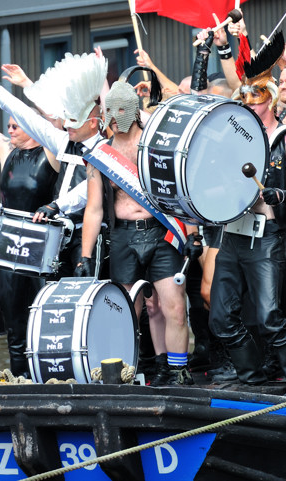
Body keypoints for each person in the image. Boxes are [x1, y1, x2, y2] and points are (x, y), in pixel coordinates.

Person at [209, 50, 286, 395]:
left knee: (269, 315)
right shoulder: (233, 140)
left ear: (270, 100)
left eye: (255, 97)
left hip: (266, 236)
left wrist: (279, 195)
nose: (247, 103)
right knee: (220, 317)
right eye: (243, 97)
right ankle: (252, 377)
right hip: (232, 232)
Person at [80, 79, 195, 386]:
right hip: (123, 237)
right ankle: (142, 369)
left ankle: (177, 371)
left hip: (161, 234)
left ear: (132, 111)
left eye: (119, 111)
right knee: (127, 311)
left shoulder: (156, 144)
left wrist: (194, 234)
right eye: (109, 112)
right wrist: (85, 254)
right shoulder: (101, 155)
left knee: (174, 305)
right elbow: (94, 209)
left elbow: (180, 192)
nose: (113, 118)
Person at [0, 58, 59, 378]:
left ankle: (46, 377)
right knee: (15, 323)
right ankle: (18, 379)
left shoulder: (50, 151)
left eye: (16, 124)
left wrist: (25, 87)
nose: (10, 129)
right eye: (8, 124)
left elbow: (56, 121)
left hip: (40, 243)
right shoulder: (7, 152)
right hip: (9, 243)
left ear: (31, 126)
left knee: (41, 319)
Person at [0, 53, 107, 278]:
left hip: (87, 235)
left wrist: (56, 205)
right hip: (58, 233)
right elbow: (28, 117)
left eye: (74, 124)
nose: (67, 127)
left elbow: (88, 188)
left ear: (93, 123)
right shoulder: (64, 141)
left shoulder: (104, 149)